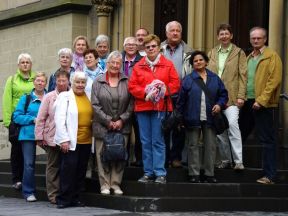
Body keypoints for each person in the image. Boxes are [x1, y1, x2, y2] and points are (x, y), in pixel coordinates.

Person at [128, 34, 180, 184]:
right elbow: (132, 86)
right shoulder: (138, 66)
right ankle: (148, 172)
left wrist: (163, 89)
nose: (151, 49)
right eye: (148, 47)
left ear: (159, 48)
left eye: (153, 46)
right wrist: (145, 92)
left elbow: (175, 84)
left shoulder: (168, 64)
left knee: (158, 140)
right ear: (144, 49)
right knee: (145, 141)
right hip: (143, 107)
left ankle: (160, 172)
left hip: (160, 107)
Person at [239, 27, 282, 184]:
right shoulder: (249, 57)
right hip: (248, 102)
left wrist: (262, 100)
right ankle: (236, 165)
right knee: (239, 135)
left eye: (259, 38)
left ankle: (270, 175)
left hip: (264, 105)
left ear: (265, 39)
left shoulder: (272, 57)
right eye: (253, 38)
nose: (256, 41)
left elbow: (274, 81)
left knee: (267, 140)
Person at [177, 50, 228, 183]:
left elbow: (224, 94)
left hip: (211, 117)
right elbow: (181, 101)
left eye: (201, 60)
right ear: (192, 64)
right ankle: (193, 173)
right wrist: (180, 117)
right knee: (193, 145)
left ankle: (209, 174)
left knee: (210, 145)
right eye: (195, 61)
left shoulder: (215, 78)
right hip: (192, 117)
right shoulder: (188, 79)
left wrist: (219, 104)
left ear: (206, 62)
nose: (198, 62)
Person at [91, 51, 133, 195]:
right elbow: (95, 104)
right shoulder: (98, 81)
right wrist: (108, 121)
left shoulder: (127, 81)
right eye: (112, 63)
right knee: (102, 155)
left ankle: (115, 184)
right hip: (102, 125)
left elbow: (132, 104)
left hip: (123, 125)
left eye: (118, 63)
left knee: (119, 155)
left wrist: (122, 119)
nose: (115, 65)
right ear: (107, 64)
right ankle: (104, 184)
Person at [207, 23, 247, 170]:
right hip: (215, 99)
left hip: (232, 98)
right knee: (220, 130)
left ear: (231, 36)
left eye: (226, 33)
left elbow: (243, 76)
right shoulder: (211, 53)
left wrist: (241, 96)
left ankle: (238, 161)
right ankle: (225, 160)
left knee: (232, 125)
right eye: (221, 34)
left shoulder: (239, 53)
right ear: (218, 37)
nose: (224, 36)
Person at [54, 72, 93, 208]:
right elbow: (59, 119)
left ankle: (76, 198)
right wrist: (63, 139)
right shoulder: (65, 97)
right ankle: (64, 199)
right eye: (78, 82)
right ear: (72, 82)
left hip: (86, 141)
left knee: (80, 171)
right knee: (68, 171)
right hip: (70, 141)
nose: (80, 85)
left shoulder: (87, 97)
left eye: (83, 82)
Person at [160, 20, 193, 168]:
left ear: (181, 33)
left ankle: (176, 157)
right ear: (166, 33)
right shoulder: (158, 49)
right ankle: (165, 157)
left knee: (179, 128)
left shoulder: (189, 51)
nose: (174, 33)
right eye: (171, 30)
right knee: (164, 127)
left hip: (181, 95)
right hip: (162, 95)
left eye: (177, 31)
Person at [35, 70, 69, 204]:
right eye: (58, 81)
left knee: (66, 167)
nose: (61, 83)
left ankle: (65, 192)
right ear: (55, 81)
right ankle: (53, 195)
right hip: (51, 138)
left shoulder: (72, 96)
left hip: (68, 138)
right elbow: (41, 118)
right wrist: (39, 136)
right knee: (53, 167)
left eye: (63, 80)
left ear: (68, 81)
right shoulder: (49, 97)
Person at [2, 53, 36, 190]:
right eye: (22, 62)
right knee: (16, 150)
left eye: (28, 62)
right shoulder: (12, 80)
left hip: (30, 121)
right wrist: (7, 122)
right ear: (18, 65)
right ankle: (17, 179)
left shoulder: (35, 79)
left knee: (28, 151)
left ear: (31, 64)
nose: (25, 64)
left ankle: (26, 178)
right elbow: (6, 100)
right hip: (16, 121)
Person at [13, 72, 47, 201]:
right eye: (37, 80)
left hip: (45, 134)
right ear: (34, 82)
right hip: (28, 134)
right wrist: (32, 119)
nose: (40, 83)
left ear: (45, 83)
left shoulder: (49, 97)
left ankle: (54, 190)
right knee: (29, 164)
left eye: (42, 81)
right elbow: (16, 116)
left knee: (54, 163)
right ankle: (28, 192)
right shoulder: (26, 98)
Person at [121, 36, 143, 166]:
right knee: (124, 132)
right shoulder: (118, 60)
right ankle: (124, 159)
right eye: (128, 44)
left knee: (140, 132)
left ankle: (139, 160)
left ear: (137, 47)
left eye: (133, 44)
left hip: (138, 101)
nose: (130, 46)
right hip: (122, 101)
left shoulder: (143, 61)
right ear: (124, 46)